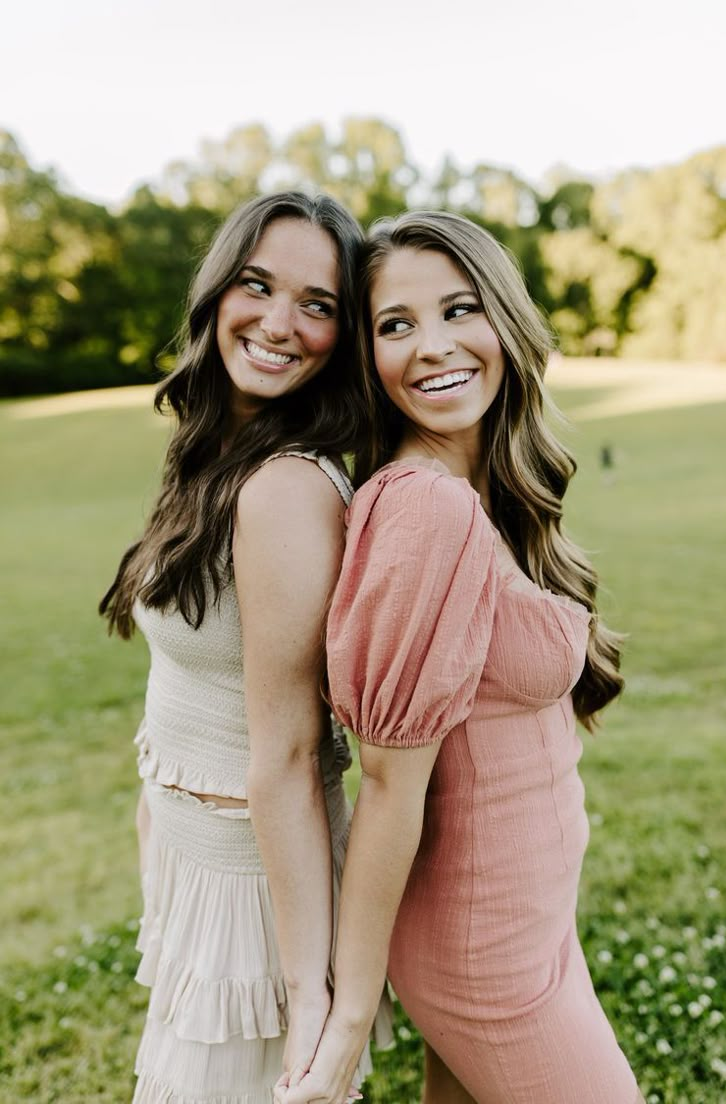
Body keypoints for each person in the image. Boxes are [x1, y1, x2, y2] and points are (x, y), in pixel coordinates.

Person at [279, 211, 644, 1104]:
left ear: (505, 320)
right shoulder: (426, 510)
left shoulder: (481, 494)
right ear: (367, 358)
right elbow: (390, 784)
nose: (433, 346)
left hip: (532, 925)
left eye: (459, 309)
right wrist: (351, 1014)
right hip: (486, 953)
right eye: (395, 325)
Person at [99, 192, 391, 1104]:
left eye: (318, 304)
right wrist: (157, 836)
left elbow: (293, 754)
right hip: (197, 863)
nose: (278, 324)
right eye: (257, 286)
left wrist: (310, 993)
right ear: (217, 289)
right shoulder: (212, 452)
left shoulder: (285, 489)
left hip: (258, 891)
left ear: (344, 336)